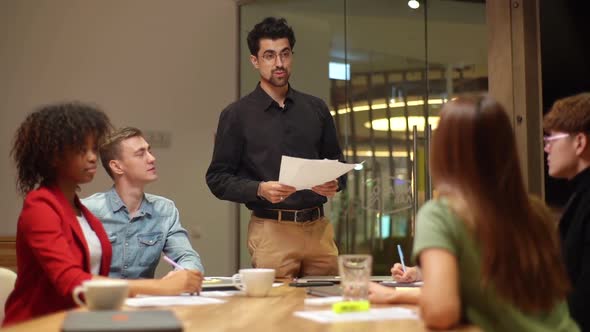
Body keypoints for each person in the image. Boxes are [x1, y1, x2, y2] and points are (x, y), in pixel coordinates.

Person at [368, 95, 579, 332]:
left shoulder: (440, 215)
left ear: (442, 150)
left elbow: (441, 311)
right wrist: (397, 296)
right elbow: (500, 300)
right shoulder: (535, 211)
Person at [3, 103, 201, 326]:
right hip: (39, 323)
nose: (92, 158)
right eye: (82, 150)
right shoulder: (40, 206)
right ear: (53, 157)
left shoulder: (80, 210)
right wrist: (160, 287)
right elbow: (71, 281)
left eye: (93, 149)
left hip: (81, 320)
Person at [206, 17, 345, 279]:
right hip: (271, 230)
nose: (279, 63)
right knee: (275, 311)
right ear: (255, 61)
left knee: (325, 305)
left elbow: (337, 162)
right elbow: (217, 179)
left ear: (292, 56)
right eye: (269, 56)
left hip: (319, 230)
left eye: (285, 54)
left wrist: (335, 183)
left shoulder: (316, 108)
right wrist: (259, 189)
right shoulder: (236, 115)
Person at [82, 127, 204, 279]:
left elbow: (186, 256)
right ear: (117, 166)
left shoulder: (164, 209)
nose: (152, 158)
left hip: (145, 299)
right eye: (140, 153)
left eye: (149, 151)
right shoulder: (87, 210)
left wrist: (183, 274)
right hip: (101, 299)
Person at [543, 92, 590, 331]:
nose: (546, 149)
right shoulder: (579, 195)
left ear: (579, 142)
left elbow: (583, 300)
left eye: (551, 139)